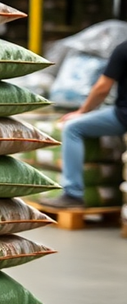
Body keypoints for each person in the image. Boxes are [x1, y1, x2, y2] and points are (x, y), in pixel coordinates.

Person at [38, 40, 127, 209]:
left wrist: (82, 111)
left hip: (123, 116)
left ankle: (73, 194)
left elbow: (102, 88)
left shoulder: (123, 49)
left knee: (73, 128)